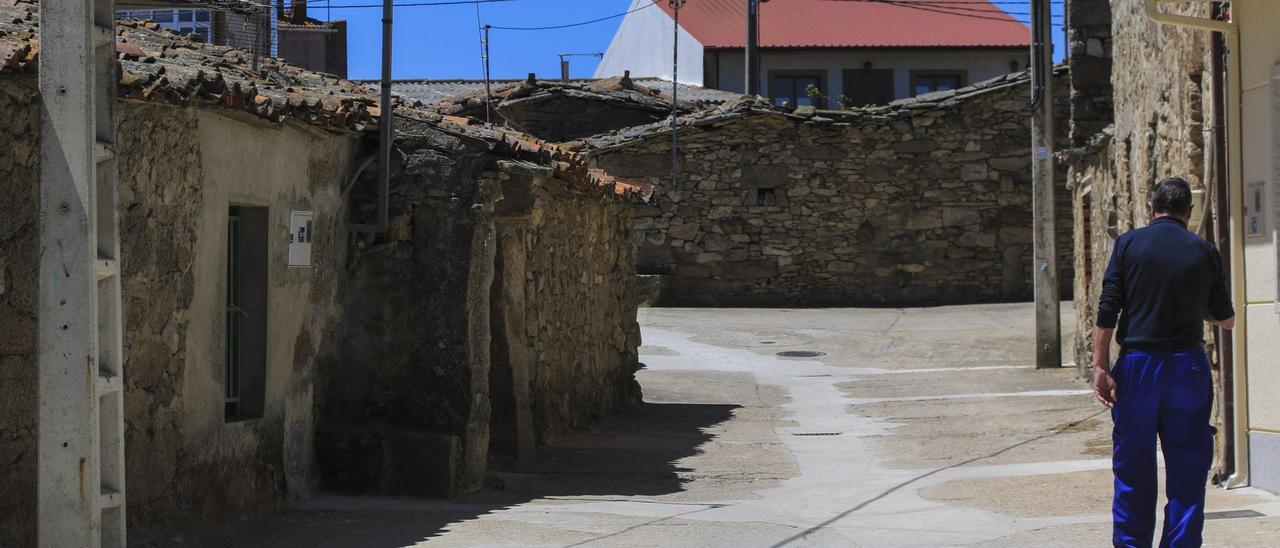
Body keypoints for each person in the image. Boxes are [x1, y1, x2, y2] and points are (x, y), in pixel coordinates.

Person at [1092, 176, 1235, 548]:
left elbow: (1108, 309)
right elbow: (1227, 317)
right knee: (1188, 467)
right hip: (1187, 366)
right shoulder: (1204, 251)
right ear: (1189, 213)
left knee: (1132, 467)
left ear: (1150, 209)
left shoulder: (1128, 245)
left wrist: (1100, 366)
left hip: (1138, 365)